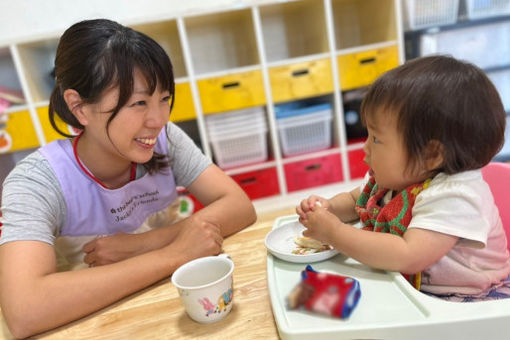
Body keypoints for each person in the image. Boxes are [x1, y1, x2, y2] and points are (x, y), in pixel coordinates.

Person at [0, 18, 256, 338]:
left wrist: (140, 245)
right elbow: (25, 310)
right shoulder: (36, 181)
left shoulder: (166, 140)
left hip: (174, 305)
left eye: (164, 99)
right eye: (139, 103)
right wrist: (175, 253)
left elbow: (239, 206)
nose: (159, 119)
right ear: (79, 107)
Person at [297, 55, 510, 302]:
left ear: (431, 155)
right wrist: (329, 209)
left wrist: (333, 233)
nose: (365, 148)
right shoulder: (398, 177)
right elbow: (357, 200)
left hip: (473, 299)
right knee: (312, 297)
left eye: (376, 139)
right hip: (413, 289)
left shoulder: (455, 196)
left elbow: (408, 256)